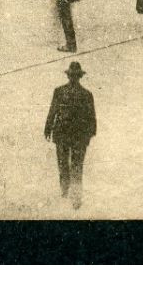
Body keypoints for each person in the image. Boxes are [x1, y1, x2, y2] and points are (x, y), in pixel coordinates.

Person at [43, 62, 96, 209]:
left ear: (71, 76)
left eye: (73, 76)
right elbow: (92, 120)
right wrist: (89, 135)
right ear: (80, 76)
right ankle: (74, 196)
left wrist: (48, 128)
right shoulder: (86, 94)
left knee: (63, 164)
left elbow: (52, 112)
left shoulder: (59, 91)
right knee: (76, 165)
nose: (73, 78)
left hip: (63, 134)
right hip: (76, 135)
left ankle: (66, 192)